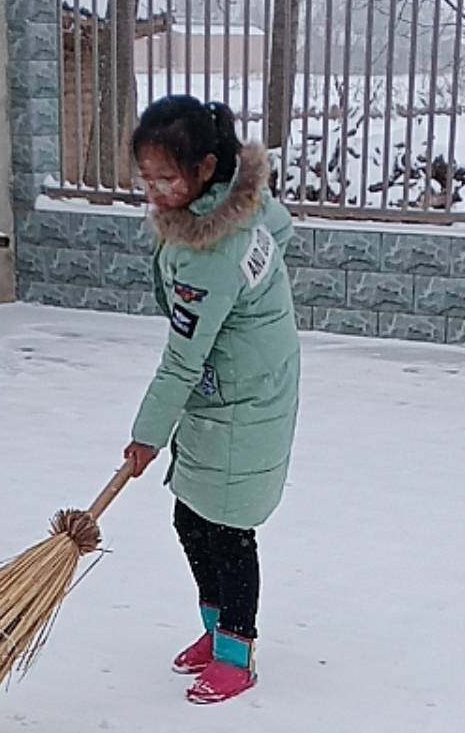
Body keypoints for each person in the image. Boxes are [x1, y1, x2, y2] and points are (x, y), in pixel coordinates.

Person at [121, 95, 301, 704]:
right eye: (145, 178)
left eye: (165, 177)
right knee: (190, 516)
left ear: (204, 168)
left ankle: (235, 652)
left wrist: (147, 435)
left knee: (228, 530)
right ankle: (214, 628)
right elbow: (280, 227)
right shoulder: (237, 205)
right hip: (235, 385)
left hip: (242, 398)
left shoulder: (208, 254)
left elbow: (182, 358)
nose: (154, 190)